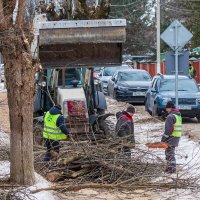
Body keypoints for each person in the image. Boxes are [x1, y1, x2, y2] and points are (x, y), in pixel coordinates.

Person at [161, 101, 182, 174]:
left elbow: (168, 130)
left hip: (171, 137)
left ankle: (172, 169)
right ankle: (169, 167)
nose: (166, 110)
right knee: (170, 152)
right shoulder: (178, 115)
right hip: (176, 136)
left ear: (169, 108)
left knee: (169, 153)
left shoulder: (170, 116)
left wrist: (163, 138)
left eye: (167, 108)